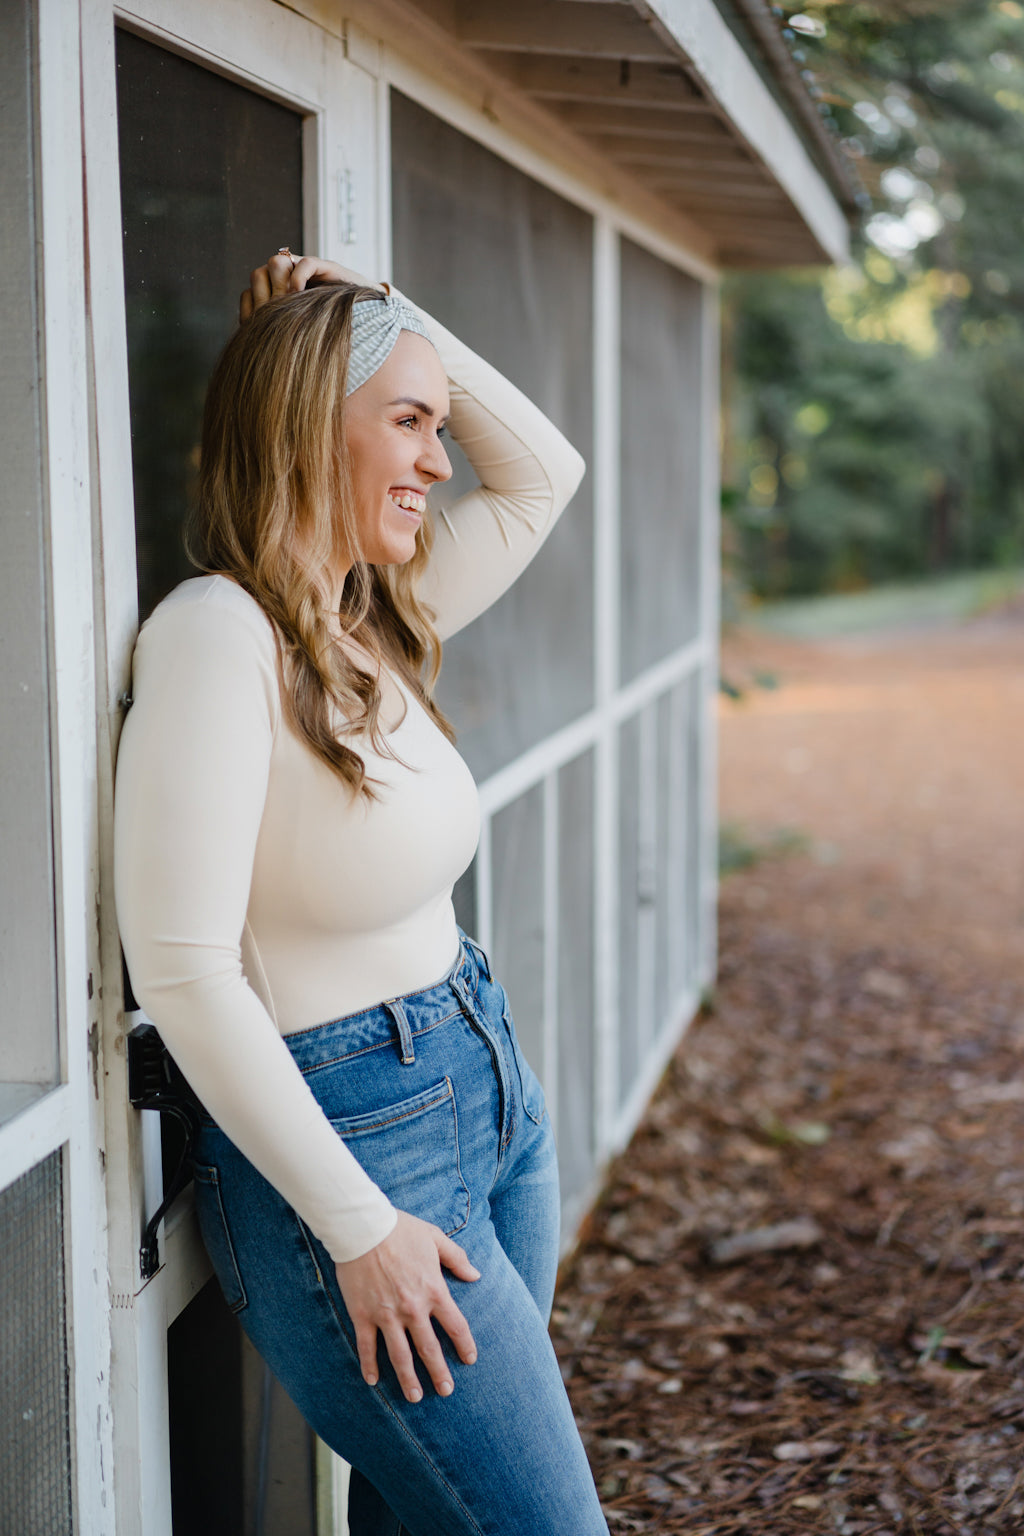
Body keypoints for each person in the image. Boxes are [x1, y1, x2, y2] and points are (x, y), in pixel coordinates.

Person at [114, 250, 610, 1535]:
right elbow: (183, 973)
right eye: (408, 422)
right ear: (300, 425)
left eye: (438, 427)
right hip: (357, 1150)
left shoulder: (368, 624)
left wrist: (385, 313)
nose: (440, 462)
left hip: (482, 1093)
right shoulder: (216, 638)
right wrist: (356, 1228)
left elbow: (544, 473)